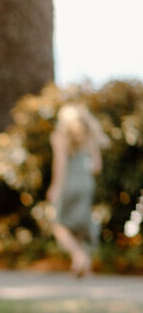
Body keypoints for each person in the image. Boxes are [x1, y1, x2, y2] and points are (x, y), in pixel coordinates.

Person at [47, 103, 107, 276]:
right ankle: (84, 266)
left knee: (59, 225)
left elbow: (60, 163)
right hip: (86, 183)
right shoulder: (90, 137)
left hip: (68, 183)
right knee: (81, 225)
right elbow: (97, 167)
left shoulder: (60, 136)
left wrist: (55, 187)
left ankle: (78, 255)